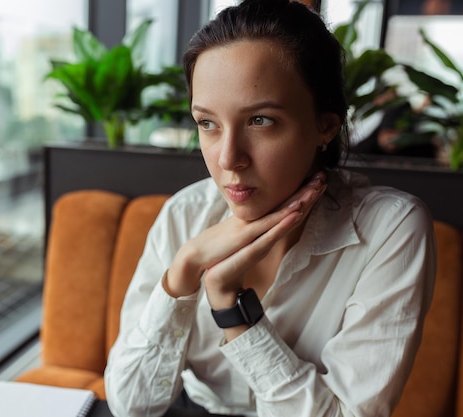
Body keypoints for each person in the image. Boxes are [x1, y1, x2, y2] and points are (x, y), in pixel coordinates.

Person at [104, 1, 437, 416]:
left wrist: (231, 308)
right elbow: (132, 405)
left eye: (260, 120)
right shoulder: (184, 215)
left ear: (326, 126)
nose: (228, 159)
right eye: (207, 123)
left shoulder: (390, 228)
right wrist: (184, 269)